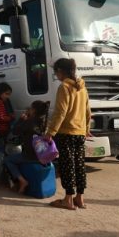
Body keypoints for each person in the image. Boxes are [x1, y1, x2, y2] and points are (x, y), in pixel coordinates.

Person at [44, 58, 91, 210]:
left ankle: (68, 199)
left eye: (55, 72)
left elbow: (60, 112)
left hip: (66, 132)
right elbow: (88, 111)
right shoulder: (82, 86)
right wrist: (87, 129)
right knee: (79, 165)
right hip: (80, 132)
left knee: (67, 165)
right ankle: (80, 198)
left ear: (60, 71)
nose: (56, 75)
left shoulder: (64, 87)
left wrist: (50, 132)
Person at [3, 101, 50, 194]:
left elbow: (15, 131)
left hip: (31, 156)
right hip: (44, 155)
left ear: (33, 110)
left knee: (8, 160)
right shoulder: (46, 122)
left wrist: (21, 119)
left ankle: (22, 181)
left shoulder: (30, 122)